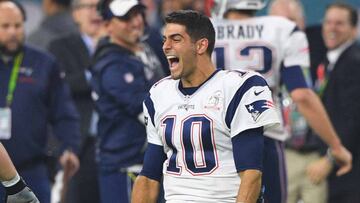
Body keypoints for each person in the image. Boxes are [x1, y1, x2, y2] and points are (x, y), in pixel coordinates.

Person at [210, 0, 352, 202]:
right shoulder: (281, 30)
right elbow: (302, 95)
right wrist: (336, 147)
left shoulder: (203, 30)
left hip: (211, 141)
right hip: (263, 138)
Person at [132, 10, 280, 203]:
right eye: (164, 39)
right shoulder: (159, 94)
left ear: (201, 45)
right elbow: (149, 176)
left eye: (176, 39)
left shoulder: (238, 87)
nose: (166, 46)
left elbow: (251, 174)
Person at [0, 1, 80, 203]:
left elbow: (64, 112)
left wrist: (69, 148)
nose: (13, 32)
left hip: (32, 171)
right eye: (5, 26)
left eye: (18, 26)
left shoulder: (44, 63)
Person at [90, 0, 165, 202]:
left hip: (151, 162)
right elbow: (144, 109)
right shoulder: (110, 63)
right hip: (125, 166)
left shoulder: (145, 49)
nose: (136, 22)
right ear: (107, 25)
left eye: (138, 14)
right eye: (126, 18)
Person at [269, 1, 328, 202]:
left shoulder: (322, 47)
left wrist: (332, 151)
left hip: (316, 152)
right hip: (277, 150)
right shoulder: (257, 58)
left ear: (303, 22)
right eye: (279, 22)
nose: (286, 28)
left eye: (292, 21)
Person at [47, 0, 105, 202]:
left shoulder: (120, 46)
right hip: (79, 145)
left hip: (113, 145)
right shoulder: (60, 46)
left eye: (99, 6)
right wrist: (96, 71)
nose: (94, 12)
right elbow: (62, 85)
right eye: (87, 6)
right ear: (75, 14)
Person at [309, 3, 360, 203]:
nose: (331, 28)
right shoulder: (332, 60)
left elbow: (354, 120)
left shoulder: (354, 62)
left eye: (340, 24)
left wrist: (331, 158)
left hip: (349, 170)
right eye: (328, 22)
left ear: (353, 29)